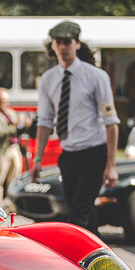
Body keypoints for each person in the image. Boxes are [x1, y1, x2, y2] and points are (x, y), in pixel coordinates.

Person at [32, 20, 119, 234]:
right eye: (58, 42)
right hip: (69, 155)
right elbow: (44, 122)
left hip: (93, 153)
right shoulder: (48, 80)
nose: (63, 47)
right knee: (82, 211)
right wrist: (38, 159)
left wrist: (111, 165)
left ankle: (73, 252)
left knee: (78, 215)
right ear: (53, 46)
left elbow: (111, 122)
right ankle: (97, 248)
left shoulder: (96, 76)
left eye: (67, 42)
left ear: (77, 44)